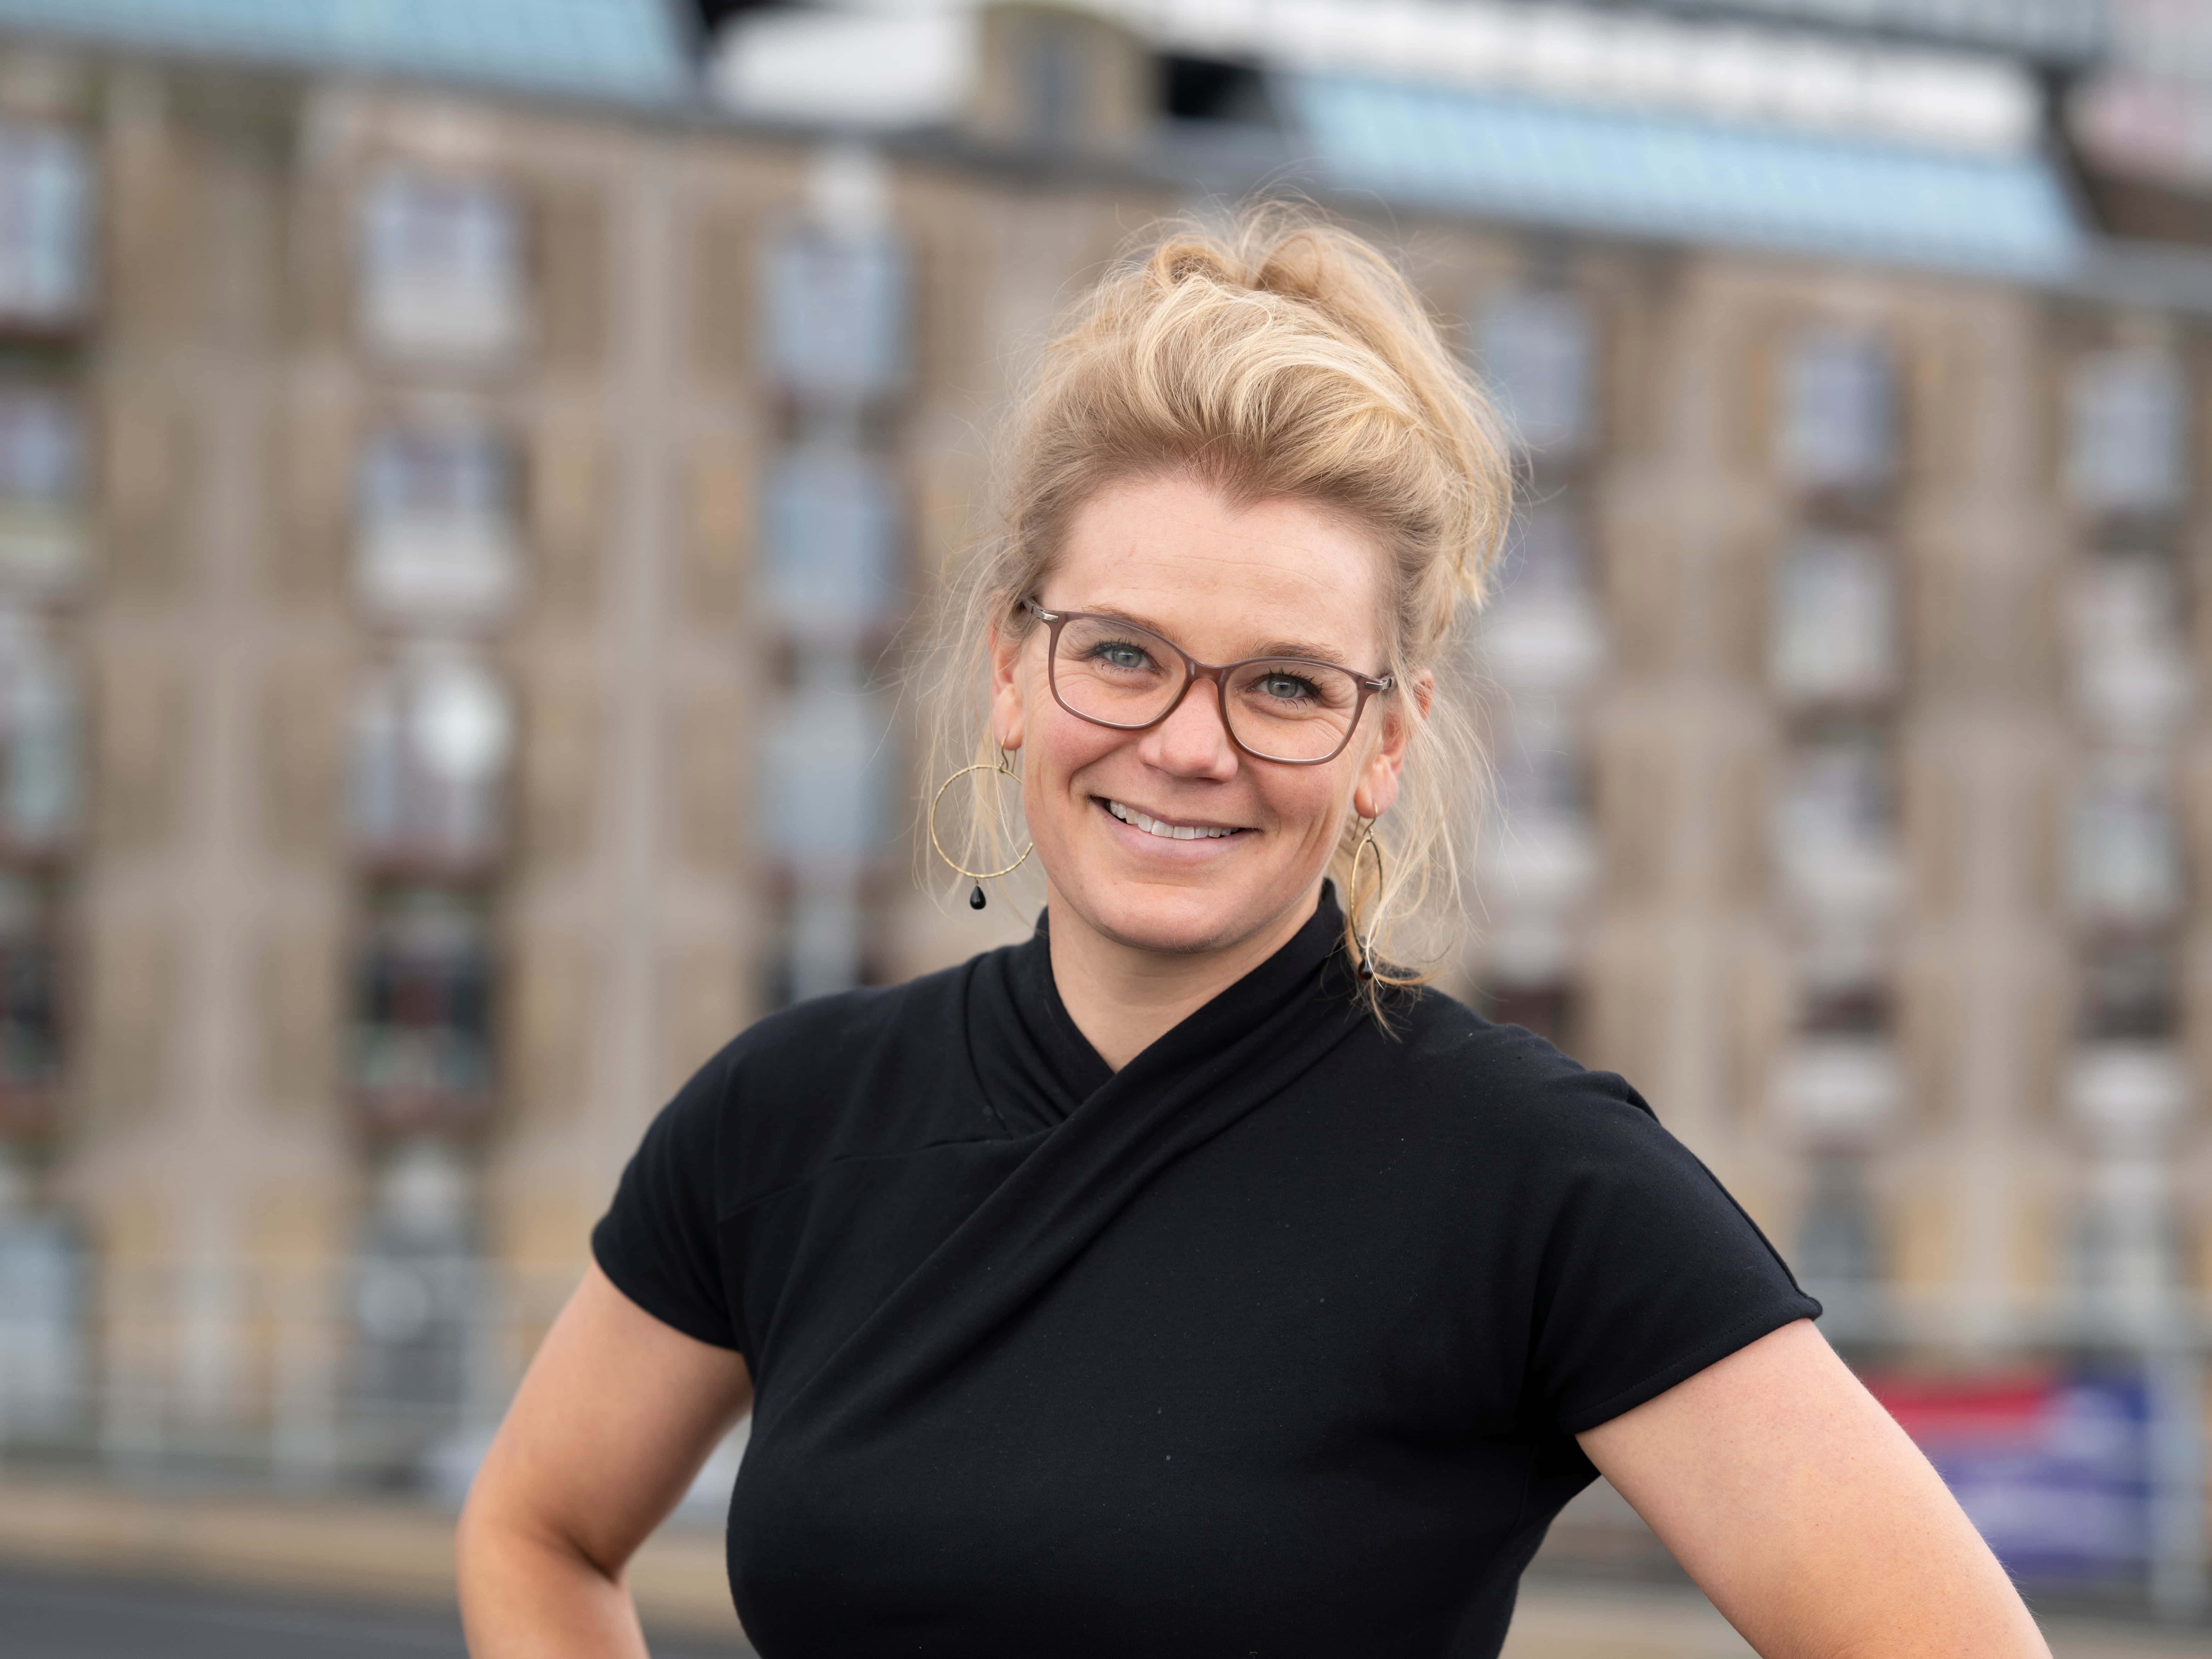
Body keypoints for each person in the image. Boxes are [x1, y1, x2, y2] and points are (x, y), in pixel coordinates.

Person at [457, 210, 2050, 1659]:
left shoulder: (1532, 1181)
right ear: (1011, 668)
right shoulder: (785, 1116)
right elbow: (536, 1531)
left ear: (1385, 740)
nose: (1186, 744)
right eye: (1121, 653)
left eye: (1283, 684)